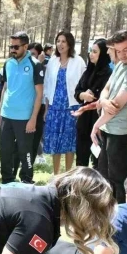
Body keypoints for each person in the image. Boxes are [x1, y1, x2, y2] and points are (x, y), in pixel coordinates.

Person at [91, 29, 127, 203]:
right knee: (104, 175)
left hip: (122, 131)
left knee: (118, 179)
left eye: (126, 49)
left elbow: (115, 106)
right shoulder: (120, 64)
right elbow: (107, 89)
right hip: (108, 127)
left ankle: (121, 217)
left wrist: (96, 125)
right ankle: (106, 214)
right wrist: (102, 100)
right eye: (118, 51)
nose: (122, 55)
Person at [0, 31, 44, 184]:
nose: (12, 49)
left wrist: (33, 118)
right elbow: (5, 88)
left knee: (25, 152)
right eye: (11, 46)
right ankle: (7, 180)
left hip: (25, 118)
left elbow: (39, 94)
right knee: (5, 151)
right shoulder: (8, 63)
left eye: (16, 47)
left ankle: (26, 179)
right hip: (6, 115)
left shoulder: (35, 65)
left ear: (25, 46)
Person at [42, 30, 86, 175]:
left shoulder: (78, 61)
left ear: (69, 44)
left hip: (72, 106)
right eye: (58, 41)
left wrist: (82, 108)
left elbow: (83, 85)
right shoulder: (53, 62)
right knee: (56, 142)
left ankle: (68, 175)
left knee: (69, 142)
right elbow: (48, 86)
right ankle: (56, 175)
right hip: (55, 107)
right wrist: (47, 108)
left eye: (63, 42)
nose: (60, 44)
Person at [74, 39, 112, 167]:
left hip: (99, 118)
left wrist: (93, 97)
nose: (91, 54)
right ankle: (80, 184)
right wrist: (82, 95)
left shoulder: (108, 73)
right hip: (84, 118)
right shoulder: (88, 71)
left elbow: (106, 95)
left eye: (95, 52)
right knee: (81, 154)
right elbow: (77, 90)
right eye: (91, 51)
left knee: (98, 158)